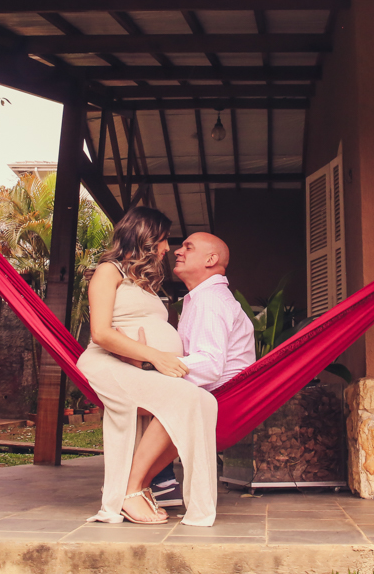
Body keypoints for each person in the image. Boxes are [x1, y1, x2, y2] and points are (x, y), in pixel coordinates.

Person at [77, 208, 219, 526]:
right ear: (145, 236)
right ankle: (128, 492)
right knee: (188, 400)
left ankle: (137, 488)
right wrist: (153, 357)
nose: (167, 248)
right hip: (107, 364)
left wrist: (150, 358)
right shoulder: (108, 271)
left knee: (202, 402)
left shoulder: (143, 282)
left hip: (138, 366)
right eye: (164, 239)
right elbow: (101, 332)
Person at [149, 232, 256, 508]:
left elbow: (208, 365)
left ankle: (150, 481)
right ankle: (158, 481)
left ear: (211, 259)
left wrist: (155, 366)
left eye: (188, 247)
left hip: (220, 400)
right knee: (135, 395)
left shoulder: (210, 301)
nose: (177, 252)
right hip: (211, 395)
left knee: (127, 396)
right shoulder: (201, 298)